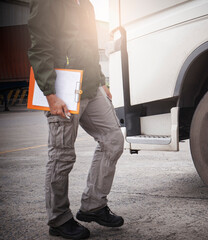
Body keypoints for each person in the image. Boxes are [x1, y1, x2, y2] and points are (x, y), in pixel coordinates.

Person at [27, 0, 124, 239]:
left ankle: (93, 206)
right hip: (64, 87)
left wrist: (101, 80)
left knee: (113, 140)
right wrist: (50, 93)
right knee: (62, 156)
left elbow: (90, 45)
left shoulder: (86, 4)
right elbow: (39, 47)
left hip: (90, 85)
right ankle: (58, 219)